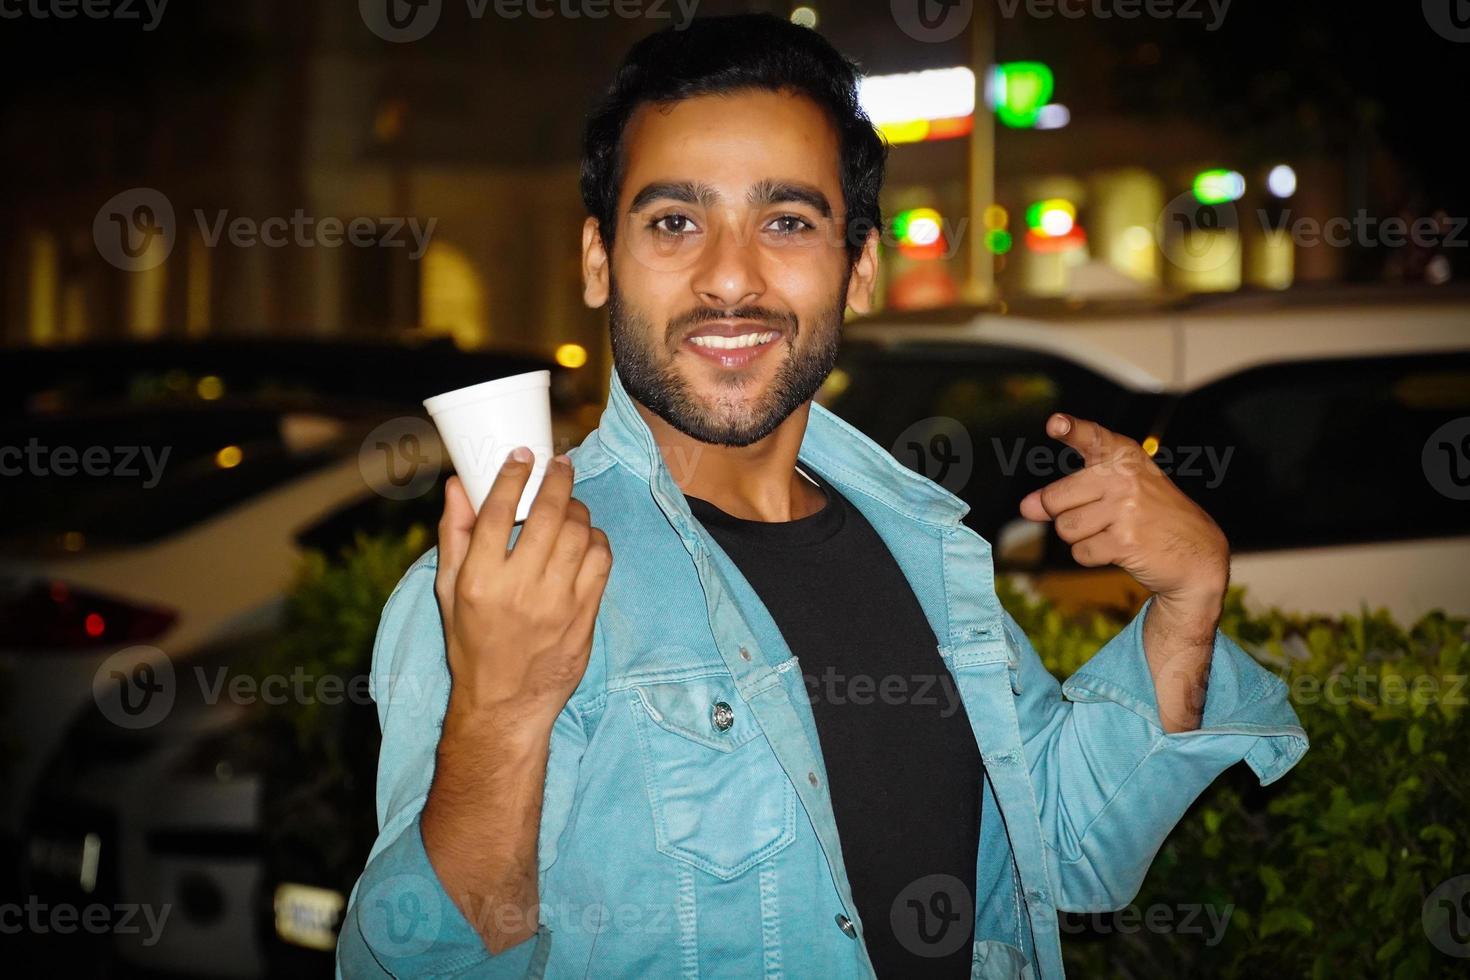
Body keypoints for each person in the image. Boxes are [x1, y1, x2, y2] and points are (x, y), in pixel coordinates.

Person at [337, 14, 1306, 978]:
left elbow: (1061, 851)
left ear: (862, 265)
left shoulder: (922, 545)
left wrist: (1187, 602)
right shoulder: (504, 586)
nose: (729, 276)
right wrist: (500, 712)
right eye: (675, 221)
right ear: (599, 260)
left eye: (787, 221)